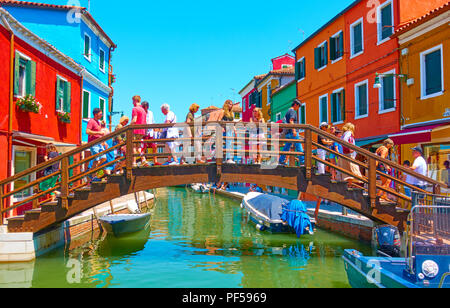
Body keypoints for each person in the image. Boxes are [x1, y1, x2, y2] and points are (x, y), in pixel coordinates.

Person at [279, 100, 304, 166]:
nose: (298, 108)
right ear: (295, 104)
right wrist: (294, 130)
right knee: (299, 147)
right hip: (292, 133)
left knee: (286, 147)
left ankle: (281, 161)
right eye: (298, 106)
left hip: (288, 133)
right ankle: (302, 162)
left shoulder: (288, 111)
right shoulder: (292, 111)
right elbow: (291, 120)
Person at [341, 123, 363, 187]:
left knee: (348, 170)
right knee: (354, 167)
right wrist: (350, 148)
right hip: (349, 154)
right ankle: (354, 183)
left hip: (345, 153)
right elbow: (345, 140)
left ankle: (349, 184)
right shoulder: (348, 132)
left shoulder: (343, 134)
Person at [86, 108, 107, 172]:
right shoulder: (91, 121)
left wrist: (104, 142)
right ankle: (92, 173)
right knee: (96, 160)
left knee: (104, 158)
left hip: (99, 143)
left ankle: (91, 170)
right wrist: (99, 133)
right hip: (93, 143)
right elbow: (87, 131)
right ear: (95, 114)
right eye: (100, 114)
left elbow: (99, 134)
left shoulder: (98, 122)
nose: (101, 115)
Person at [131, 96, 149, 167]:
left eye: (133, 101)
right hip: (142, 131)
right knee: (138, 147)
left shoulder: (135, 109)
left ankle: (134, 162)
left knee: (134, 147)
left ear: (135, 101)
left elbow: (134, 119)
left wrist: (129, 125)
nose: (132, 103)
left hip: (135, 130)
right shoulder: (143, 110)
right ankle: (143, 159)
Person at [141, 101, 160, 166]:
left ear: (147, 107)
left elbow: (153, 122)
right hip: (144, 133)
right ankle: (143, 161)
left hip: (150, 132)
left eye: (144, 107)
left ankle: (155, 161)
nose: (143, 108)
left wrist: (155, 130)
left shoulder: (151, 113)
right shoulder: (141, 113)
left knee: (154, 146)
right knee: (143, 147)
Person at [218, 100, 236, 164]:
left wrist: (235, 130)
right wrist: (222, 127)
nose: (231, 105)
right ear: (226, 104)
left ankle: (229, 158)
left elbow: (232, 122)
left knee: (230, 143)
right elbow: (219, 120)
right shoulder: (223, 111)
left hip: (230, 129)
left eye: (232, 104)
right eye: (230, 104)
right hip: (225, 129)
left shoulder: (231, 113)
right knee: (227, 143)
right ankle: (227, 158)